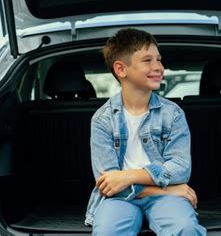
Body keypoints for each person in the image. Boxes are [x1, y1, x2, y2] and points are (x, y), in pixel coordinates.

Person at [85, 28, 207, 235]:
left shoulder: (173, 114)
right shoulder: (102, 119)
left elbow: (180, 168)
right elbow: (109, 185)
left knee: (185, 228)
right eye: (147, 60)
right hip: (119, 199)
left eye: (159, 60)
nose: (158, 67)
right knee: (107, 231)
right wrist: (168, 188)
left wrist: (129, 176)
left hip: (165, 199)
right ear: (121, 69)